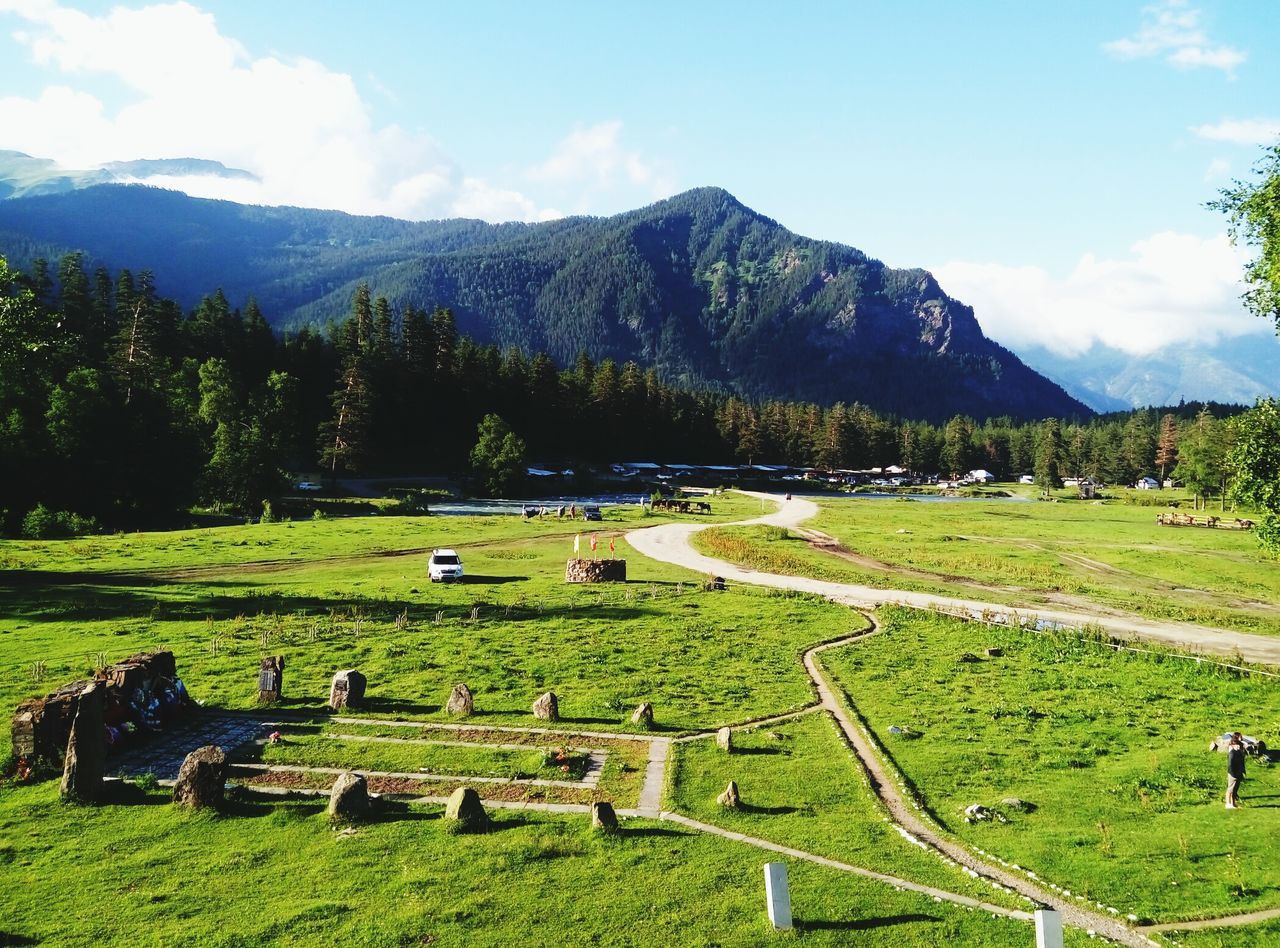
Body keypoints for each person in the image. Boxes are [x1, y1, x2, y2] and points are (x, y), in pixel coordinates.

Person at [1226, 732, 1246, 808]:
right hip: (1233, 772)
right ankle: (1228, 803)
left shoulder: (1240, 748)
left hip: (1239, 771)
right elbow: (1230, 763)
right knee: (1230, 788)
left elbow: (1242, 760)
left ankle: (1233, 803)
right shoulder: (1232, 749)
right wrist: (1233, 773)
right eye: (1240, 736)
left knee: (1235, 789)